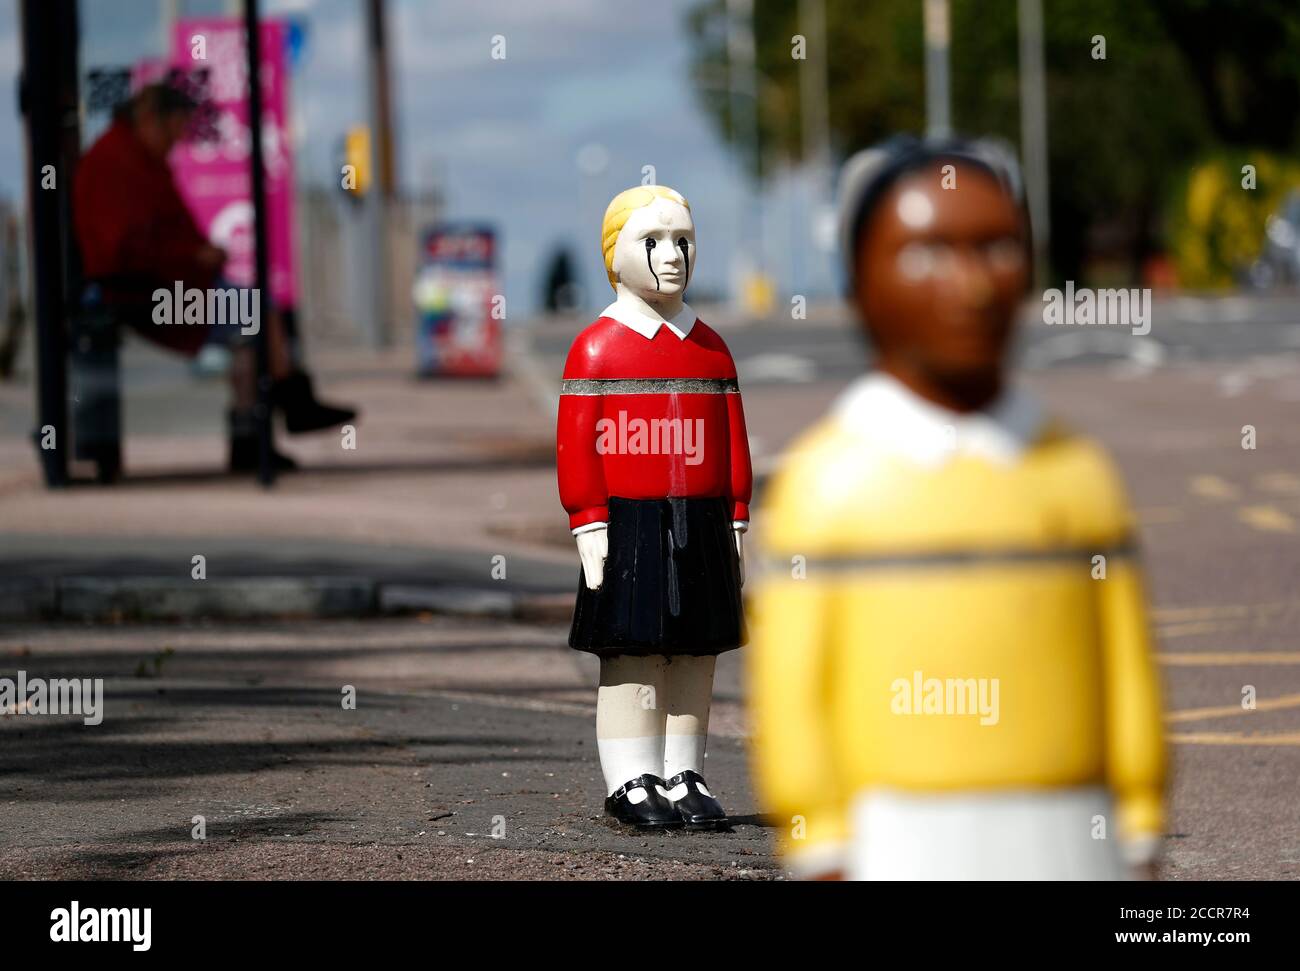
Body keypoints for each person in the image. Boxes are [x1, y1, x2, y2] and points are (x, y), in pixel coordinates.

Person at [749, 137, 1167, 879]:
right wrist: (819, 842)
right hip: (899, 844)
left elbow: (1125, 675)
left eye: (998, 248)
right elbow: (795, 698)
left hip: (1072, 838)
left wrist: (1136, 823)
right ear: (860, 281)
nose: (972, 285)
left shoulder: (1076, 476)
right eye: (927, 252)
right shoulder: (829, 488)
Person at [556, 185, 752, 829]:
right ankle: (632, 778)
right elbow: (578, 442)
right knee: (634, 651)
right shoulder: (598, 348)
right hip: (630, 520)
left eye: (683, 242)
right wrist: (587, 517)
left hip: (702, 518)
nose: (672, 257)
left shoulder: (712, 348)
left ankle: (683, 771)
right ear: (616, 255)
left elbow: (732, 437)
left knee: (696, 651)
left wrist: (737, 515)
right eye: (654, 242)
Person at [73, 82, 356, 471]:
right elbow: (123, 250)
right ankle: (285, 408)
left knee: (254, 320)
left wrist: (198, 255)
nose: (175, 141)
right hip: (140, 294)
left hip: (157, 288)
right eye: (174, 129)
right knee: (254, 313)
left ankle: (261, 430)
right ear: (150, 118)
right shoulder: (119, 161)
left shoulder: (134, 157)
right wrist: (195, 255)